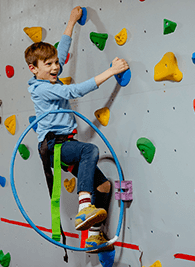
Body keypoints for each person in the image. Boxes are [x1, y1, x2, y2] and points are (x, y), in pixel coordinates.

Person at [24, 6, 129, 253]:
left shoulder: (49, 75)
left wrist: (71, 22)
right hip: (54, 147)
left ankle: (94, 236)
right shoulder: (40, 88)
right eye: (47, 64)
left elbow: (61, 51)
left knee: (103, 186)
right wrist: (112, 71)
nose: (54, 68)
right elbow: (73, 91)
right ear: (33, 69)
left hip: (64, 146)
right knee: (89, 150)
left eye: (55, 64)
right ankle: (84, 209)